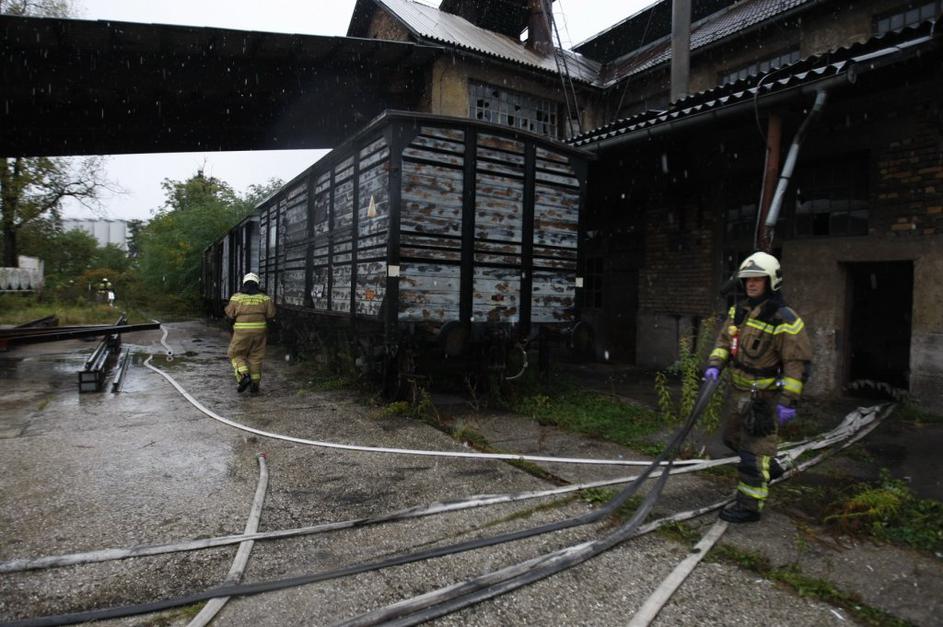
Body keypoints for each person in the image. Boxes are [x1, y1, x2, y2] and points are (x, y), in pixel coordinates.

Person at [705, 252, 812, 523]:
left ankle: (749, 505)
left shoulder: (784, 319)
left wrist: (788, 401)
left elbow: (795, 364)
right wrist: (715, 364)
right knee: (733, 439)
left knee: (752, 456)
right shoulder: (739, 312)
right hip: (738, 393)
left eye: (758, 280)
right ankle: (769, 466)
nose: (751, 284)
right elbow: (722, 341)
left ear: (771, 282)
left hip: (763, 399)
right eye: (748, 280)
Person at [224, 272, 276, 395]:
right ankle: (255, 385)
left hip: (241, 332)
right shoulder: (265, 298)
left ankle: (244, 376)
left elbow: (229, 314)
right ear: (257, 284)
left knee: (235, 354)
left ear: (244, 283)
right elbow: (271, 314)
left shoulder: (237, 297)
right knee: (256, 357)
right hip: (260, 332)